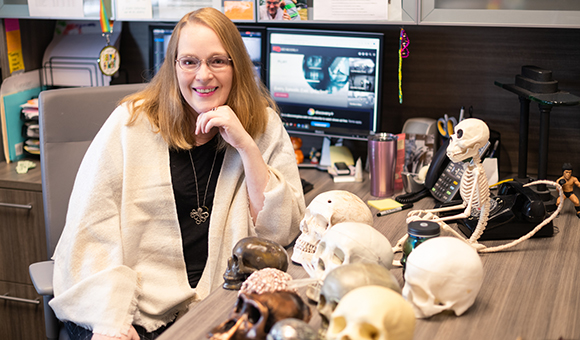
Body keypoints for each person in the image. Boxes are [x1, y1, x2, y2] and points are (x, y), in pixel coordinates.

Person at [49, 7, 306, 340]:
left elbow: (280, 233)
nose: (203, 75)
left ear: (236, 67)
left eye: (217, 61)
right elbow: (91, 230)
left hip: (221, 299)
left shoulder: (263, 125)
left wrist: (246, 146)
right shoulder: (130, 124)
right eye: (189, 62)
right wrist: (111, 317)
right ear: (173, 67)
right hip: (137, 306)